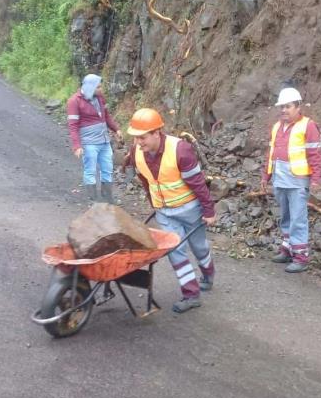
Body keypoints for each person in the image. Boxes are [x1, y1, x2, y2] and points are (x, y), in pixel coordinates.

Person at [126, 108, 216, 313]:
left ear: (157, 132)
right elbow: (145, 181)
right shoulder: (136, 152)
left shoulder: (180, 150)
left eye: (143, 137)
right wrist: (154, 204)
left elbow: (198, 183)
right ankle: (191, 294)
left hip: (190, 209)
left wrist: (209, 211)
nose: (139, 142)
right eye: (136, 138)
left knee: (199, 247)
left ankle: (208, 274)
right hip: (165, 212)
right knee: (175, 250)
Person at [261, 87, 321, 273]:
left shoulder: (308, 125)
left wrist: (316, 180)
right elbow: (271, 154)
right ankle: (287, 249)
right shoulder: (277, 127)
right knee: (286, 216)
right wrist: (266, 176)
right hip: (280, 177)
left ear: (298, 106)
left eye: (287, 106)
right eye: (281, 107)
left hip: (297, 180)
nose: (284, 110)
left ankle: (301, 256)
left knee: (298, 217)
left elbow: (315, 154)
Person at [66, 73, 123, 204]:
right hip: (89, 142)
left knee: (107, 168)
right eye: (98, 87)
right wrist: (77, 146)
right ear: (89, 87)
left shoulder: (100, 98)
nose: (101, 89)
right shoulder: (74, 101)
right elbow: (73, 126)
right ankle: (93, 199)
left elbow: (107, 116)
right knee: (90, 170)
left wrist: (116, 129)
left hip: (104, 140)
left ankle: (107, 197)